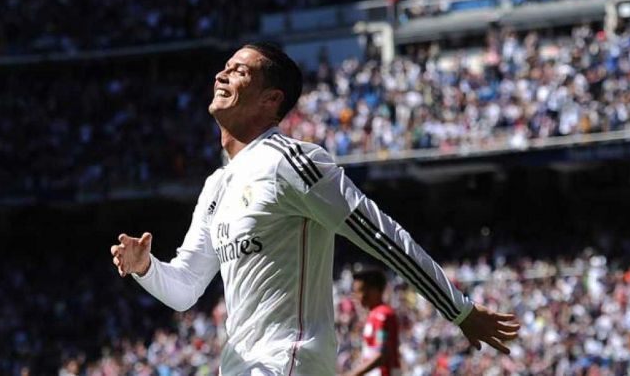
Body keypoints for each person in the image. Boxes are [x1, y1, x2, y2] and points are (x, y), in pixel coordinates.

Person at [110, 42, 520, 375]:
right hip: (240, 367)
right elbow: (184, 289)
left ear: (271, 100)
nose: (222, 74)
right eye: (225, 66)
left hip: (289, 363)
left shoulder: (290, 162)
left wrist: (459, 310)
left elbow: (382, 235)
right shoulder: (217, 185)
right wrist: (146, 267)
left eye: (240, 71)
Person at [344, 268, 401, 376]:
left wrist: (353, 373)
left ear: (374, 290)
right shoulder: (374, 315)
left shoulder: (382, 315)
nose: (356, 296)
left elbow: (382, 353)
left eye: (359, 291)